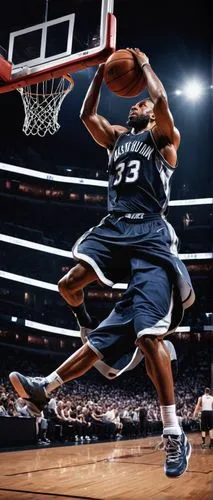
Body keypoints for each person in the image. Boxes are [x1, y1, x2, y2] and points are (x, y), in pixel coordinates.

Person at [9, 48, 195, 478]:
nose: (138, 103)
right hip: (114, 227)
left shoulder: (163, 140)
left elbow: (163, 103)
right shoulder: (116, 137)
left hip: (149, 235)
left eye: (141, 102)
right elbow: (85, 117)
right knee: (72, 287)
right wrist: (97, 72)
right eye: (136, 100)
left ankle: (173, 433)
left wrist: (145, 64)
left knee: (148, 338)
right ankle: (44, 389)